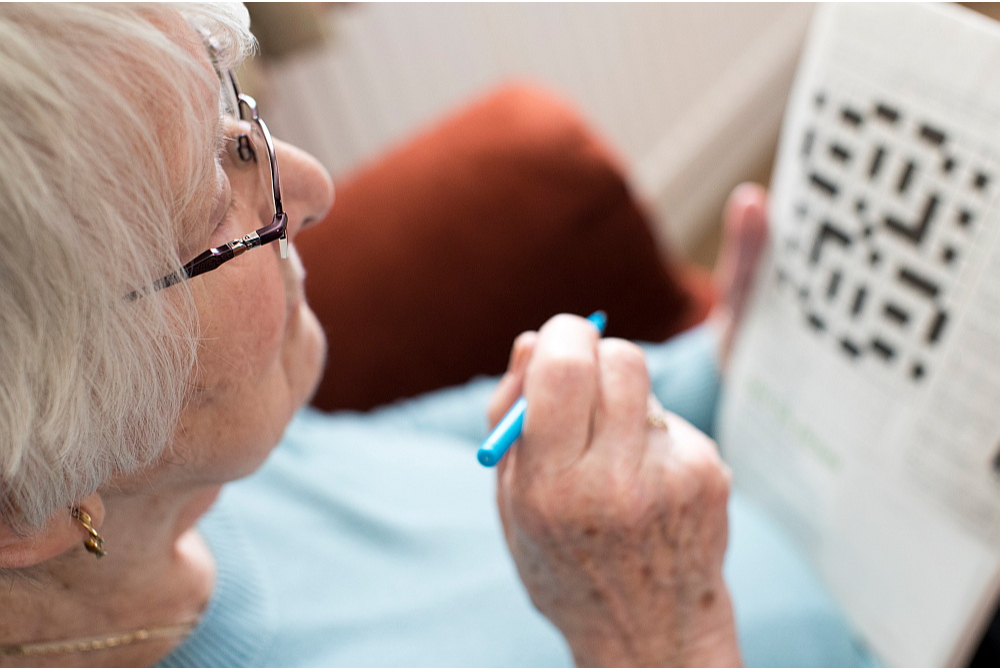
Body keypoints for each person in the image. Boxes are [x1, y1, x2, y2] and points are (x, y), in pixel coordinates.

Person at [0, 4, 874, 667]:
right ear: (26, 503)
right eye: (215, 203)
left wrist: (718, 361)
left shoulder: (197, 477)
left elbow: (413, 476)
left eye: (236, 116)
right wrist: (662, 636)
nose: (309, 186)